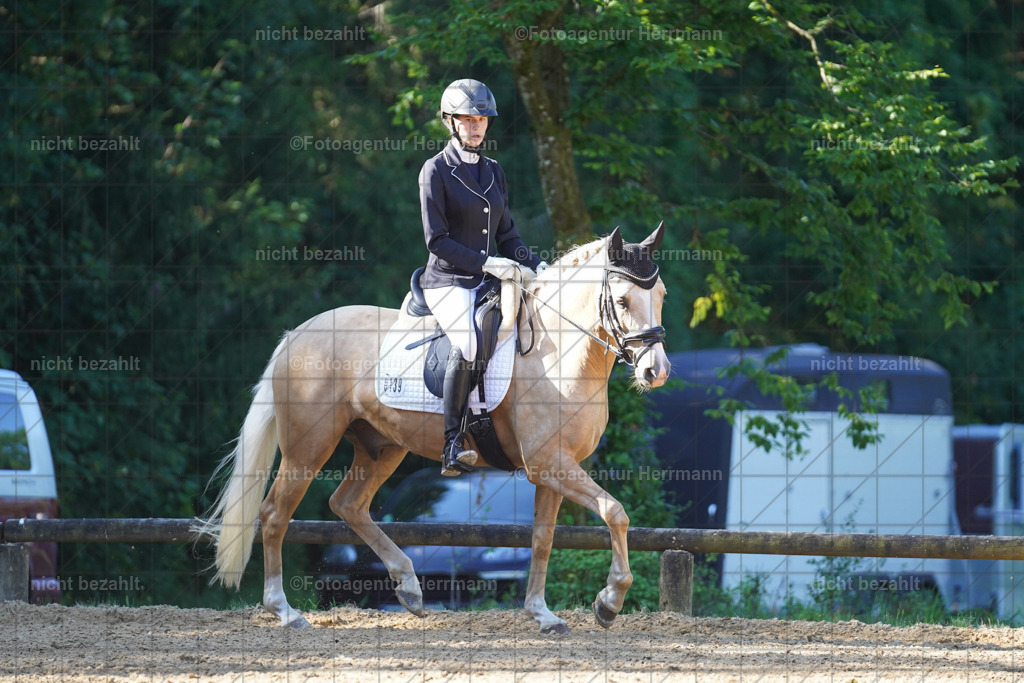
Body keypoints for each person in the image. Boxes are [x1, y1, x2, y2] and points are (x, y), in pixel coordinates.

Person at [418, 78, 548, 476]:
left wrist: (538, 266)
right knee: (470, 343)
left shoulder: (493, 171)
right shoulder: (435, 171)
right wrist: (486, 263)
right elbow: (436, 240)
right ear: (451, 122)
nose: (476, 127)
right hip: (447, 281)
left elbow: (507, 235)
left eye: (482, 120)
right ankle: (452, 443)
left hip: (486, 279)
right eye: (468, 120)